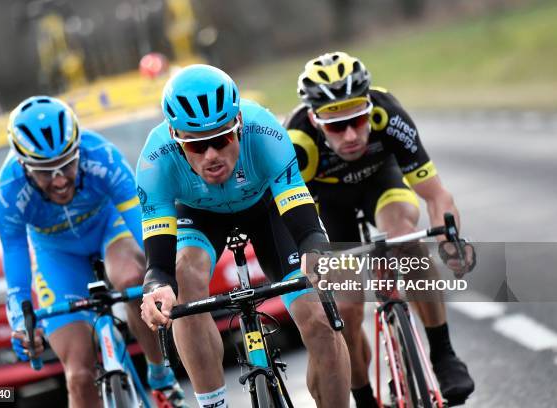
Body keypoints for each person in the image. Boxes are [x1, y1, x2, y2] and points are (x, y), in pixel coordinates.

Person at [138, 64, 351, 408]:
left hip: (266, 208)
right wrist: (156, 285)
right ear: (176, 141)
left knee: (320, 319)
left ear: (238, 126)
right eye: (195, 146)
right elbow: (158, 253)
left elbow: (300, 213)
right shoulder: (154, 158)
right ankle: (213, 404)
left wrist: (314, 248)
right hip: (200, 214)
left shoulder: (263, 130)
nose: (211, 156)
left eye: (221, 140)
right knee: (183, 277)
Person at [285, 51, 475, 407]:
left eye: (357, 120)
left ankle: (444, 355)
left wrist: (448, 238)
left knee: (404, 236)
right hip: (328, 203)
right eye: (336, 126)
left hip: (380, 183)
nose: (351, 134)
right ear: (314, 118)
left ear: (368, 106)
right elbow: (288, 218)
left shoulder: (387, 113)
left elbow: (437, 196)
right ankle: (365, 398)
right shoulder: (296, 142)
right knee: (348, 308)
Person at [0, 96, 187, 408]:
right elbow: (14, 258)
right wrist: (20, 321)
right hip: (56, 255)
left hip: (108, 230)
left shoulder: (101, 156)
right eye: (44, 171)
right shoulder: (7, 191)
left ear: (79, 150)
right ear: (23, 165)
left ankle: (160, 378)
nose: (58, 180)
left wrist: (162, 275)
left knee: (133, 277)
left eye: (67, 164)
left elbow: (143, 226)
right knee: (79, 375)